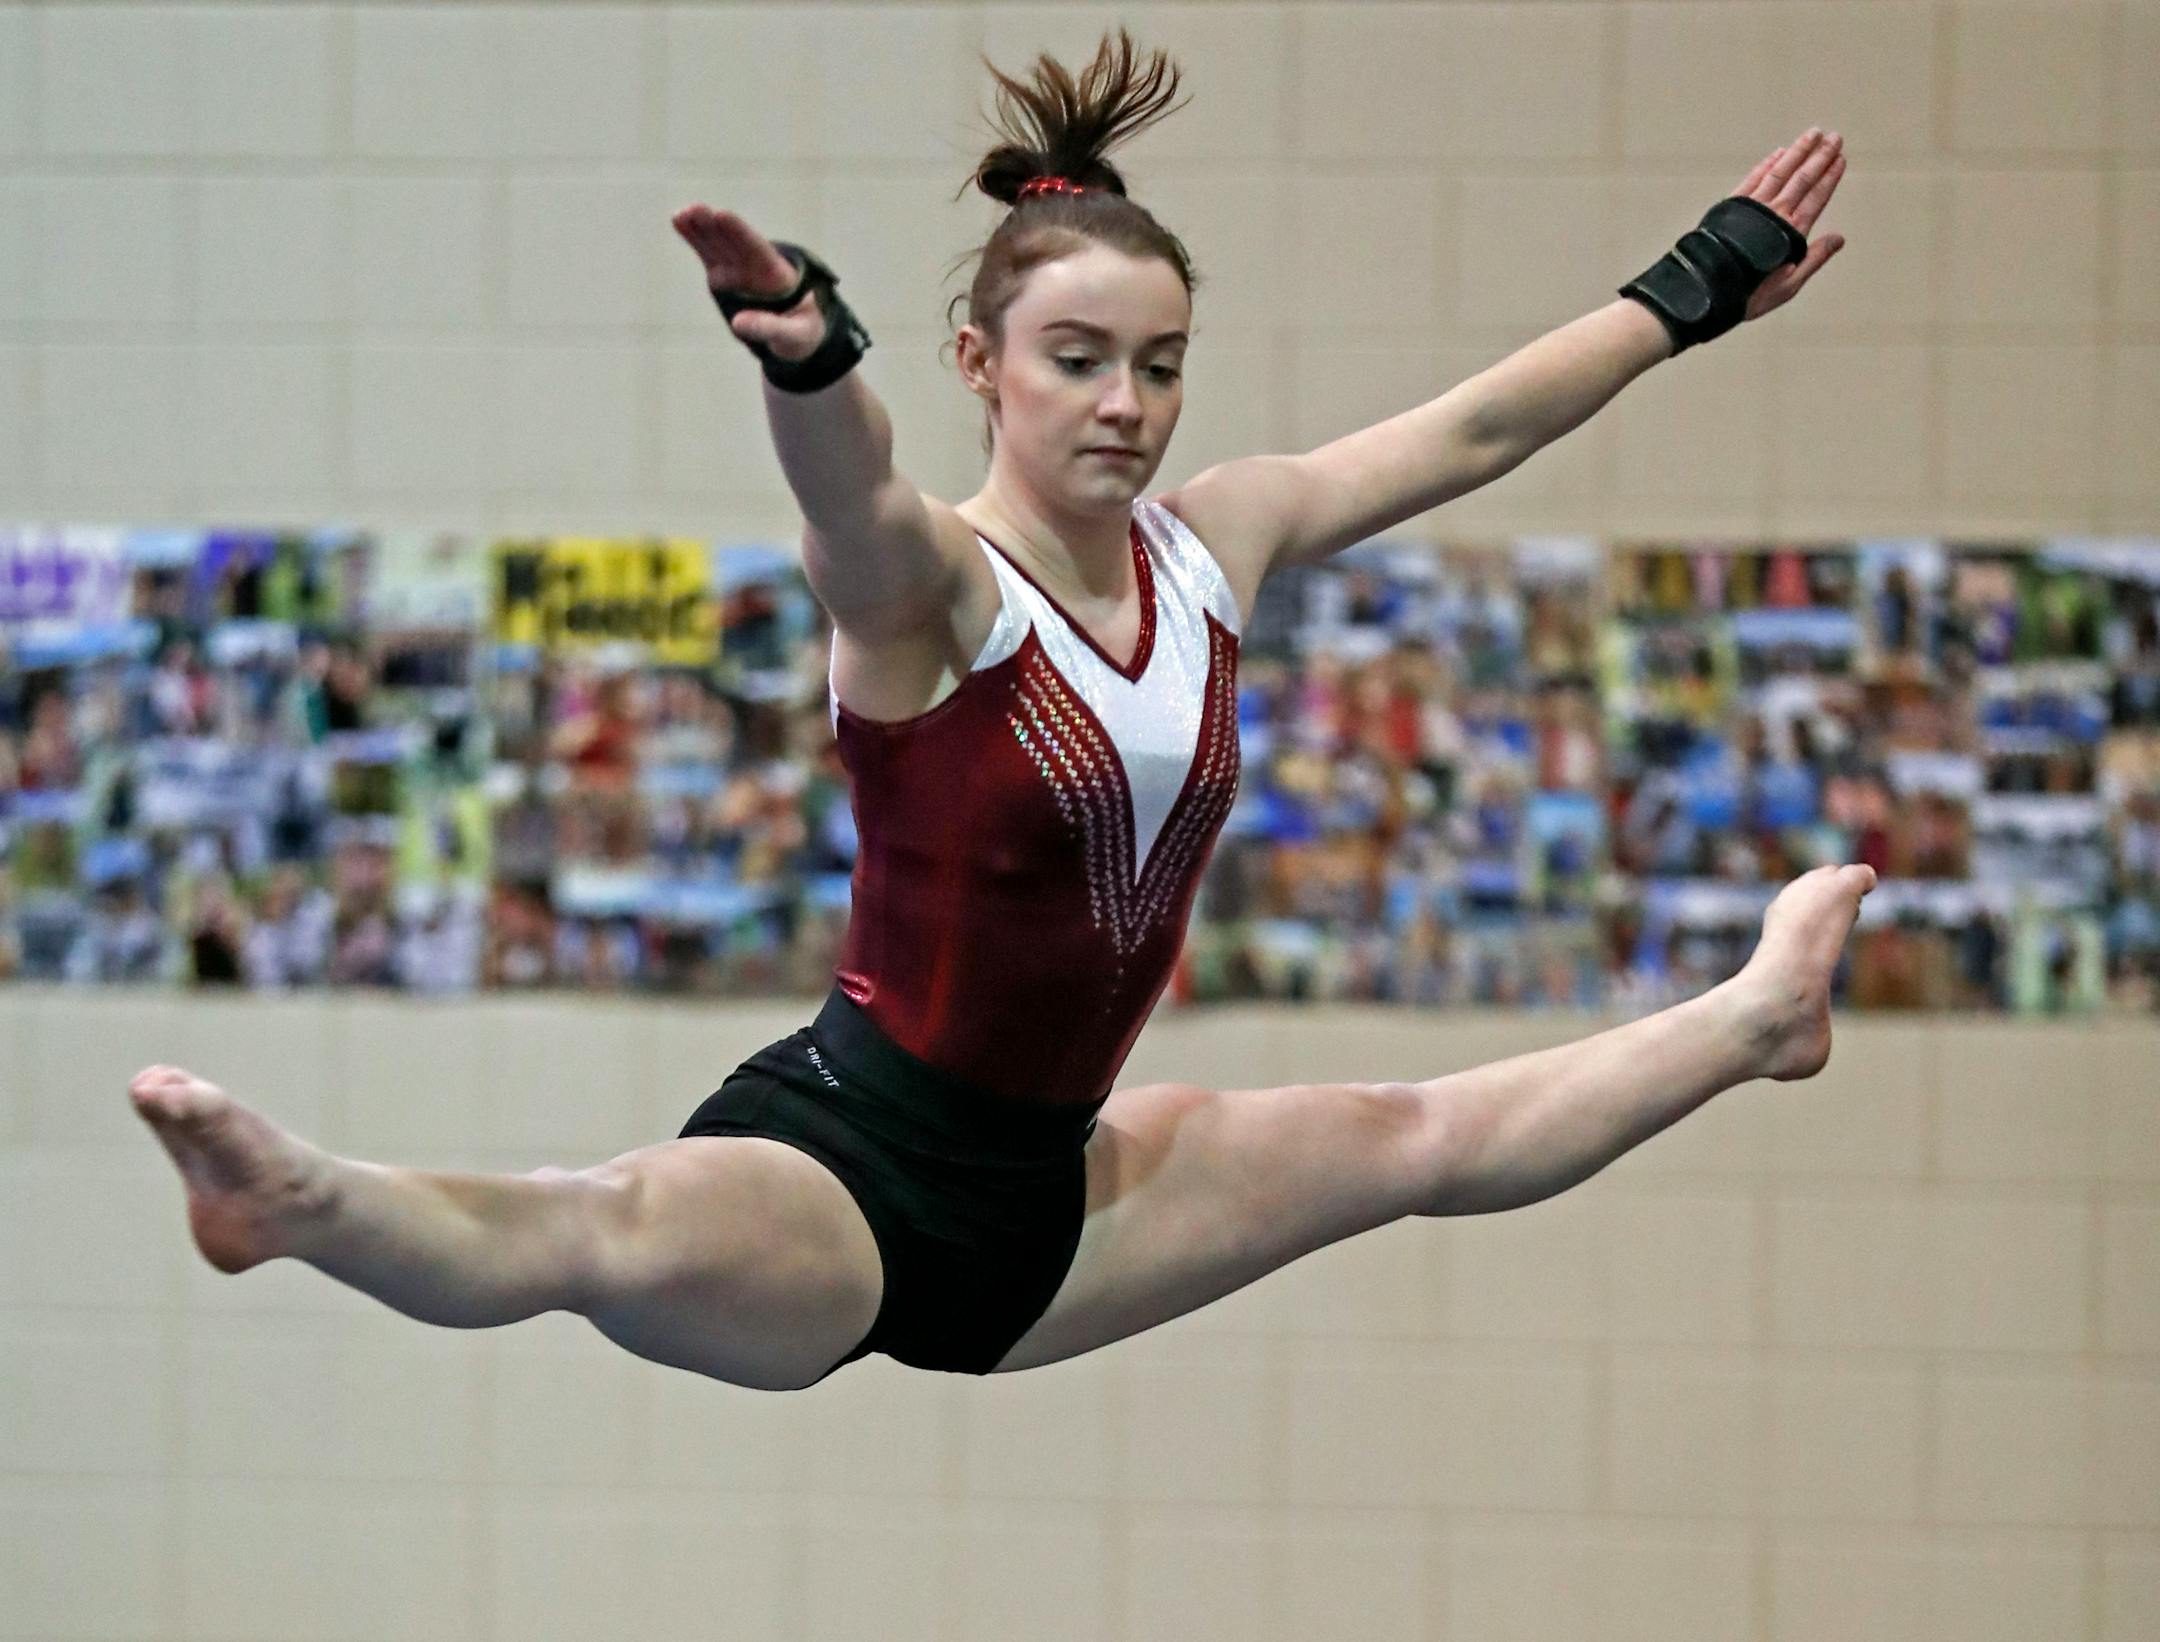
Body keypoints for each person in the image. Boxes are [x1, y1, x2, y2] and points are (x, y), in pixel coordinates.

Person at [131, 29, 1862, 1393]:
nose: (1129, 404)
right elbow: (849, 504)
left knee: (1412, 1139)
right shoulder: (938, 594)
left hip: (1064, 1202)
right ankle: (303, 1202)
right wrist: (806, 363)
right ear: (982, 363)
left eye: (1162, 362)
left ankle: (1757, 1017)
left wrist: (1695, 285)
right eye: (1078, 358)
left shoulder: (1215, 546)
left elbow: (1474, 430)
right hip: (848, 1163)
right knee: (607, 1227)